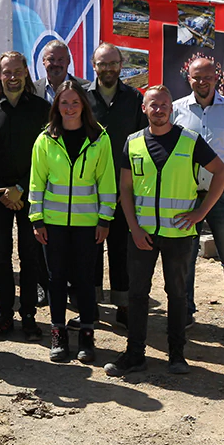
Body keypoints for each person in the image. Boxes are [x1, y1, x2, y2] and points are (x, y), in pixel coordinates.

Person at [105, 85, 224, 376]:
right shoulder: (132, 142)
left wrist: (201, 212)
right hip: (142, 234)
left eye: (163, 105)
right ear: (144, 109)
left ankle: (177, 355)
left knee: (177, 294)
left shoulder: (190, 141)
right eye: (153, 105)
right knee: (137, 294)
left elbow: (222, 173)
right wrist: (134, 228)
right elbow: (125, 188)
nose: (158, 109)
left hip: (179, 235)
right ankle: (135, 354)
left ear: (171, 109)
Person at [30, 81, 117, 364]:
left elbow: (106, 182)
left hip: (87, 223)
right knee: (56, 280)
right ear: (57, 106)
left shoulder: (99, 138)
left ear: (84, 105)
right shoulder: (45, 139)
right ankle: (57, 333)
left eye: (75, 103)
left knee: (84, 280)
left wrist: (105, 219)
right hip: (53, 224)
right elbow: (36, 183)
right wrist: (37, 218)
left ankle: (87, 336)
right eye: (64, 103)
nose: (69, 108)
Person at [173, 55, 224, 341]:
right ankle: (187, 311)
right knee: (186, 257)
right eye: (197, 77)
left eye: (207, 76)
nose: (202, 82)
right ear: (188, 78)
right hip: (187, 197)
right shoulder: (176, 111)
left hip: (223, 196)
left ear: (216, 77)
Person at [0, 51, 50, 343]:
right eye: (6, 72)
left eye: (17, 71)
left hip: (30, 194)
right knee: (1, 257)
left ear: (26, 74)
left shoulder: (42, 110)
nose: (12, 77)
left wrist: (21, 187)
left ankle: (29, 315)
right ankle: (4, 314)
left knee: (30, 255)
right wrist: (4, 191)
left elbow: (46, 157)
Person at [81, 43, 147, 329]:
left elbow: (143, 144)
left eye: (113, 63)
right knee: (89, 250)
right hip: (87, 189)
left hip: (123, 190)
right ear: (93, 65)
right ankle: (91, 306)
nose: (108, 69)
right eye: (102, 63)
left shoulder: (134, 99)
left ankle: (123, 305)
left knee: (121, 249)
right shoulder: (81, 98)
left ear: (121, 65)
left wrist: (129, 187)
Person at [33, 40, 83, 105]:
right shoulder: (33, 90)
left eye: (60, 59)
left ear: (68, 61)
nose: (56, 64)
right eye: (51, 59)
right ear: (43, 60)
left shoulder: (84, 88)